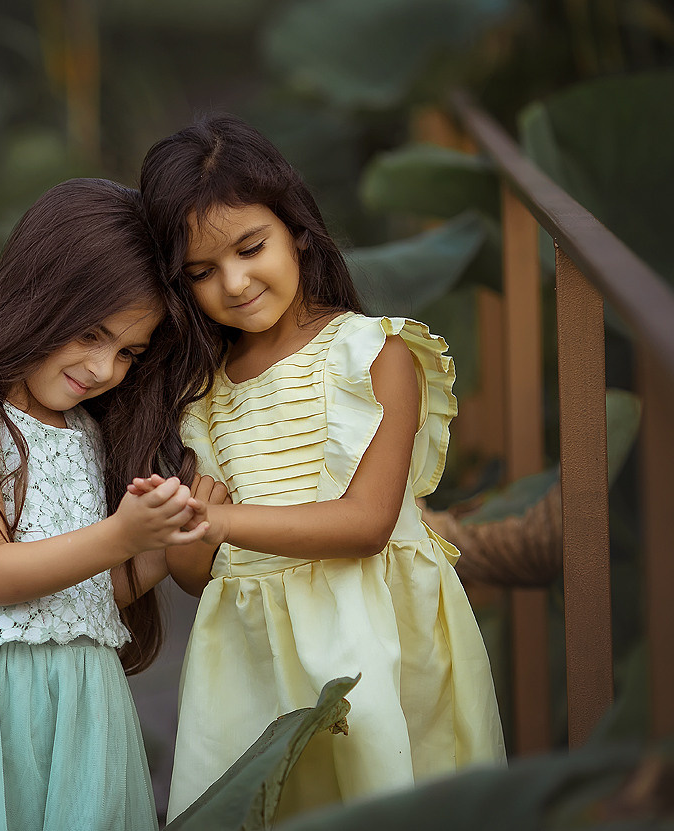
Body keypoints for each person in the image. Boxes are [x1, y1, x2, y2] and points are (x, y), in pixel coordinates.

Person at [136, 115, 506, 822]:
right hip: (249, 654)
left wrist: (213, 517)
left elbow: (366, 524)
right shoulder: (204, 391)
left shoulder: (372, 353)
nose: (234, 283)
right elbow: (197, 570)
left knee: (378, 794)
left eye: (250, 248)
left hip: (368, 637)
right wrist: (188, 536)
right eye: (201, 273)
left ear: (296, 230)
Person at [0, 178, 218, 831]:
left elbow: (90, 590)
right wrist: (123, 533)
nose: (105, 367)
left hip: (78, 701)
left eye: (128, 352)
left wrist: (170, 541)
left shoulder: (84, 429)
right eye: (91, 334)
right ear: (38, 297)